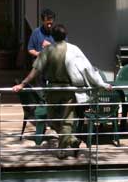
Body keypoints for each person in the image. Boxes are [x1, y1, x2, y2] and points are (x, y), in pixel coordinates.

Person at [13, 23, 110, 159]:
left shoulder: (48, 50)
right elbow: (87, 68)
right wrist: (101, 83)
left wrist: (23, 84)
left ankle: (62, 149)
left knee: (54, 119)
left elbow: (36, 70)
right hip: (68, 90)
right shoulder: (73, 49)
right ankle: (71, 141)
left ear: (52, 36)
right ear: (66, 35)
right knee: (66, 121)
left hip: (53, 89)